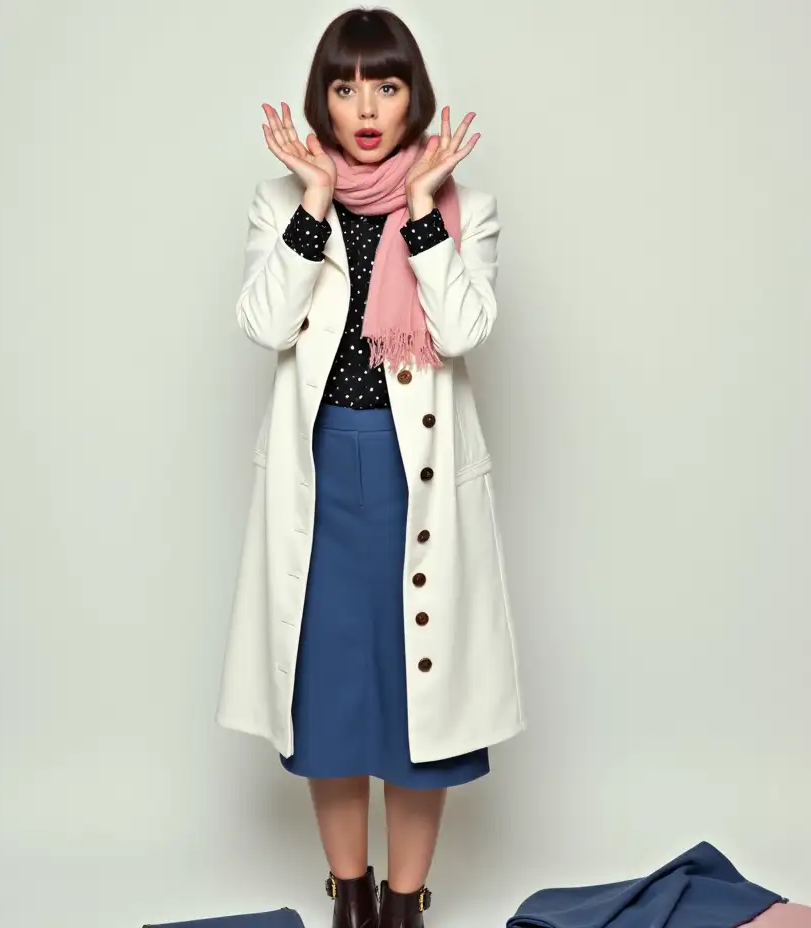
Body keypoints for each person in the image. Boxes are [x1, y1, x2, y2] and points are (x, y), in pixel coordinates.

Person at [216, 8, 524, 927]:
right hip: (319, 475)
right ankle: (349, 899)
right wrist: (313, 201)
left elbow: (465, 330)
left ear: (412, 96)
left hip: (415, 476)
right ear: (323, 96)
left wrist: (424, 214)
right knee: (329, 697)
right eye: (346, 86)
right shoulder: (281, 201)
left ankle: (404, 905)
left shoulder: (467, 205)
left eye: (385, 85)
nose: (365, 107)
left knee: (417, 703)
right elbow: (265, 324)